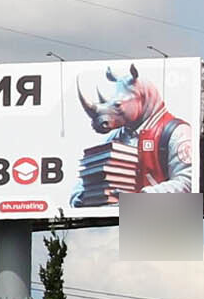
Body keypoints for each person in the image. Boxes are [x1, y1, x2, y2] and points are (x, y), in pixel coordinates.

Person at [71, 63, 195, 206]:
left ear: (140, 98)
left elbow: (188, 182)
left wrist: (139, 199)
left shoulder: (176, 132)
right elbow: (90, 176)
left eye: (117, 106)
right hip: (115, 224)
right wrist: (81, 196)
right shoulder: (115, 138)